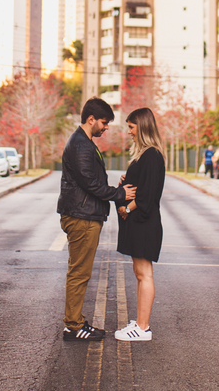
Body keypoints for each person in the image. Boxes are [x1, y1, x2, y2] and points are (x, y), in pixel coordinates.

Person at [57, 98, 135, 342]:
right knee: (79, 273)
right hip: (81, 217)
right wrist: (120, 194)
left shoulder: (83, 142)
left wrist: (115, 189)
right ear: (91, 119)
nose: (106, 127)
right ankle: (73, 326)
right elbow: (90, 184)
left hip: (84, 214)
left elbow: (91, 181)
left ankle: (76, 322)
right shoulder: (80, 145)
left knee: (80, 271)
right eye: (104, 122)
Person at [114, 107, 167, 342]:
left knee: (145, 274)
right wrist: (126, 180)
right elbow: (141, 183)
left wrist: (127, 209)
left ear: (142, 127)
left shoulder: (152, 155)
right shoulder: (145, 155)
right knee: (139, 273)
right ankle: (139, 322)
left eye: (131, 127)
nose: (129, 132)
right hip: (139, 224)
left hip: (145, 224)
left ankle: (143, 328)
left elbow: (148, 195)